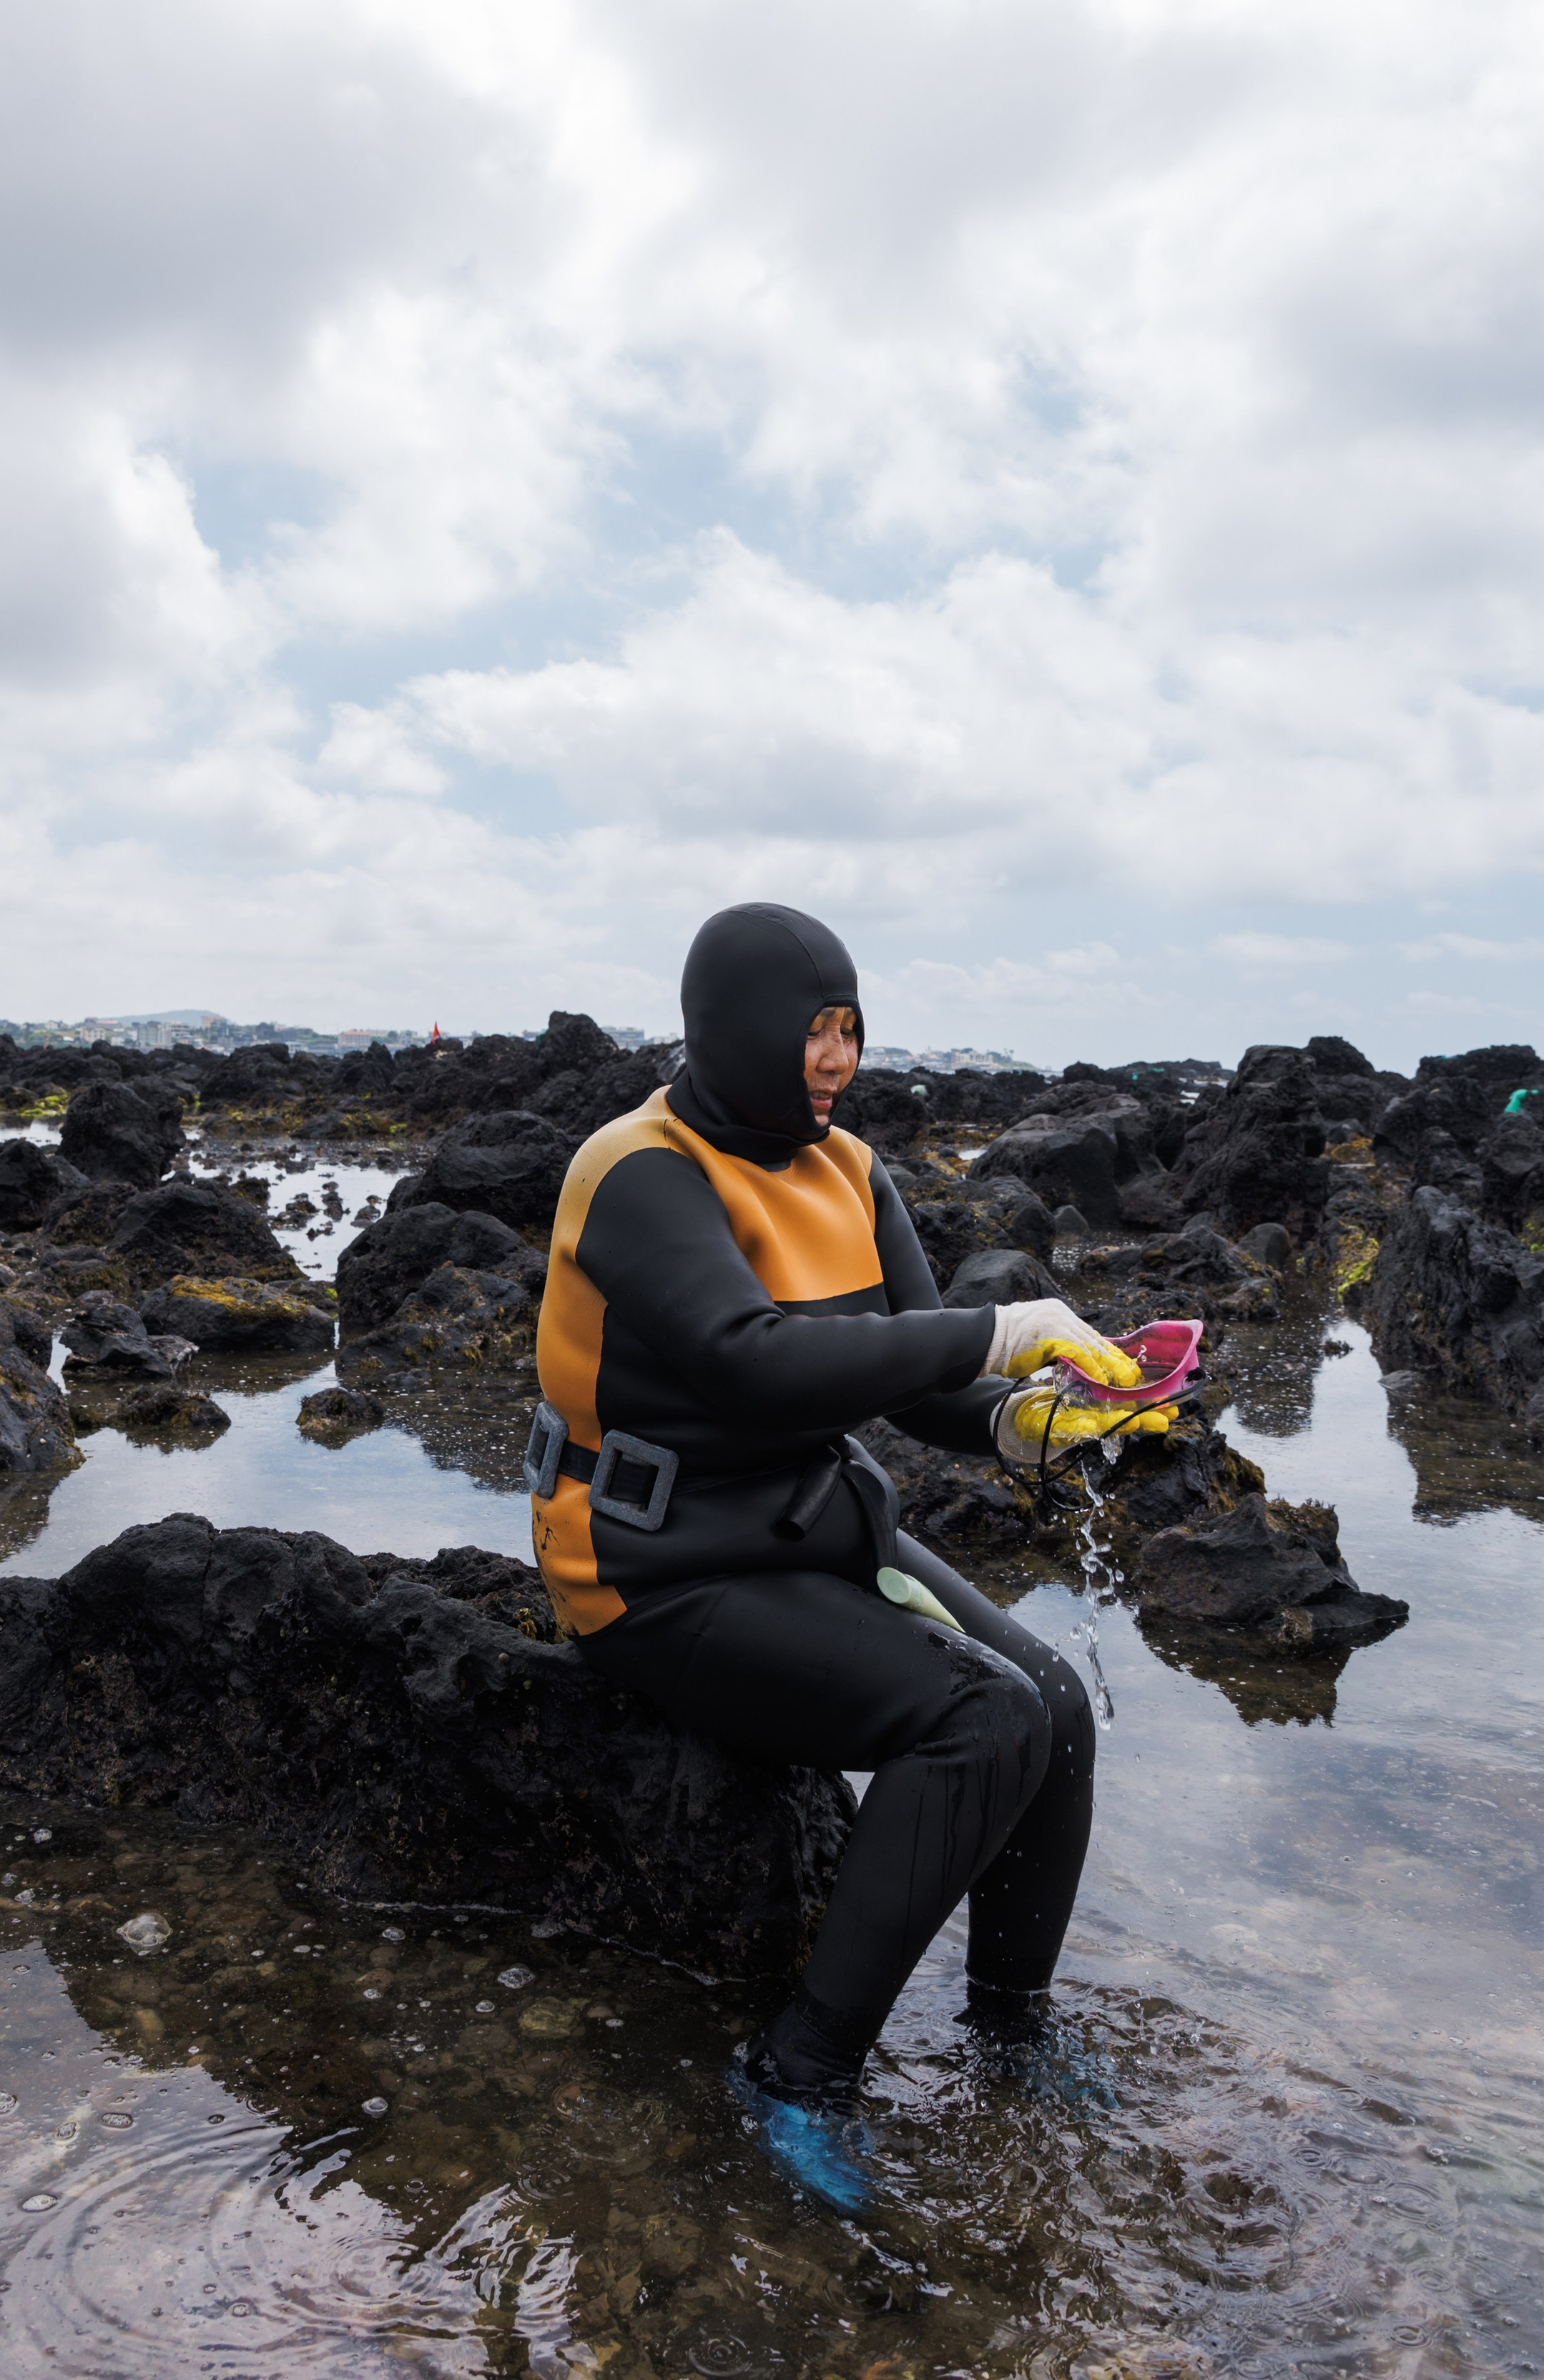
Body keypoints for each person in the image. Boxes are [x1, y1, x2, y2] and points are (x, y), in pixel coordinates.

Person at [527, 901, 1170, 2203]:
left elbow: (924, 1384)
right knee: (980, 1716)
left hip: (804, 1526)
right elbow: (745, 1360)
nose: (839, 1056)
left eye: (852, 1028)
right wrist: (1000, 1329)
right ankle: (797, 2072)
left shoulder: (849, 1167)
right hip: (652, 1570)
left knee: (1050, 1704)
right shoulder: (638, 1170)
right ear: (737, 1030)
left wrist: (1035, 1421)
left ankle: (1008, 2028)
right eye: (814, 1030)